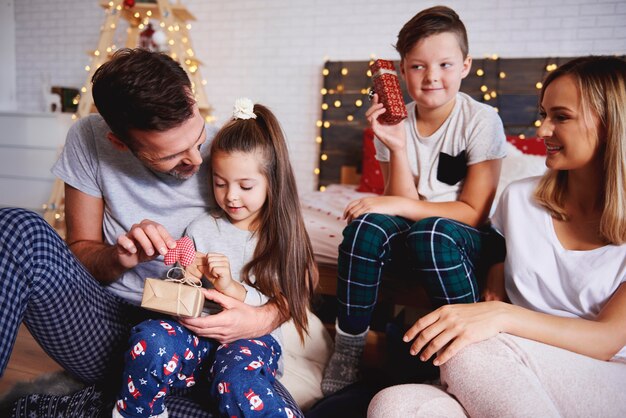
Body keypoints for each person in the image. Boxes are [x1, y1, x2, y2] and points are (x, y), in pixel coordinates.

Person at [0, 49, 301, 417]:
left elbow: (297, 265)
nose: (197, 161)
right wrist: (120, 256)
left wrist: (260, 318)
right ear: (121, 144)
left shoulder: (233, 150)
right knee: (14, 227)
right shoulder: (90, 140)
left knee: (264, 407)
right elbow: (80, 252)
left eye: (198, 138)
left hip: (207, 339)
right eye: (173, 156)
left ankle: (70, 407)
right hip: (108, 324)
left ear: (191, 97)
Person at [368, 56, 626, 417]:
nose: (542, 131)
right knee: (393, 405)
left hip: (604, 372)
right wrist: (494, 274)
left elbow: (606, 340)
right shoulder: (519, 199)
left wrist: (500, 316)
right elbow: (496, 250)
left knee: (470, 350)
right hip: (507, 363)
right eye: (543, 114)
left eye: (561, 117)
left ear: (613, 124)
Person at [322, 6, 506, 395]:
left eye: (444, 64)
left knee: (431, 232)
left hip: (464, 239)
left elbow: (473, 213)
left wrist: (394, 205)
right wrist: (395, 146)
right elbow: (400, 202)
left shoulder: (482, 120)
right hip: (417, 230)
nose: (432, 77)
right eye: (418, 66)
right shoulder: (395, 119)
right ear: (402, 70)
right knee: (366, 226)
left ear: (466, 65)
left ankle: (470, 353)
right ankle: (349, 348)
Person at [113, 99, 317, 418]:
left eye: (245, 186)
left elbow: (285, 297)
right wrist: (188, 277)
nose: (231, 196)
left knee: (239, 381)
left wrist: (233, 289)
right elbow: (175, 291)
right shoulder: (201, 228)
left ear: (272, 182)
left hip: (250, 341)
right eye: (220, 183)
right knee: (149, 336)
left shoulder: (281, 237)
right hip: (195, 336)